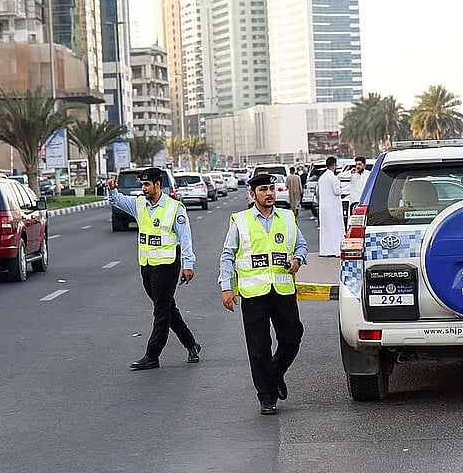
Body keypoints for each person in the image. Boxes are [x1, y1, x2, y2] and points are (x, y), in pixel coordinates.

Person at [219, 173, 308, 416]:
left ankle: (276, 373)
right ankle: (267, 397)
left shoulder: (287, 217)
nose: (269, 193)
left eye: (271, 188)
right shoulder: (241, 221)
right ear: (253, 194)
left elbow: (301, 245)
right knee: (259, 348)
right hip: (254, 293)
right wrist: (226, 287)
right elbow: (228, 255)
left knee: (292, 337)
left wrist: (297, 260)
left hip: (282, 289)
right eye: (263, 190)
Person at [107, 168, 201, 370]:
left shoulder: (174, 208)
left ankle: (152, 355)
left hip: (167, 266)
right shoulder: (140, 204)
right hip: (147, 265)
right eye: (142, 184)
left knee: (161, 311)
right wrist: (112, 190)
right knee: (167, 308)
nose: (144, 188)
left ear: (158, 185)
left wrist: (188, 265)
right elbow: (117, 201)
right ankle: (191, 344)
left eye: (147, 185)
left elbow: (185, 238)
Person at [318, 156, 345, 257]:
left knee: (326, 230)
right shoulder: (333, 177)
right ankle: (336, 250)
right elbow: (337, 191)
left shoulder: (322, 178)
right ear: (334, 165)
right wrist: (346, 189)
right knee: (335, 229)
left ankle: (326, 250)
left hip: (324, 208)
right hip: (333, 208)